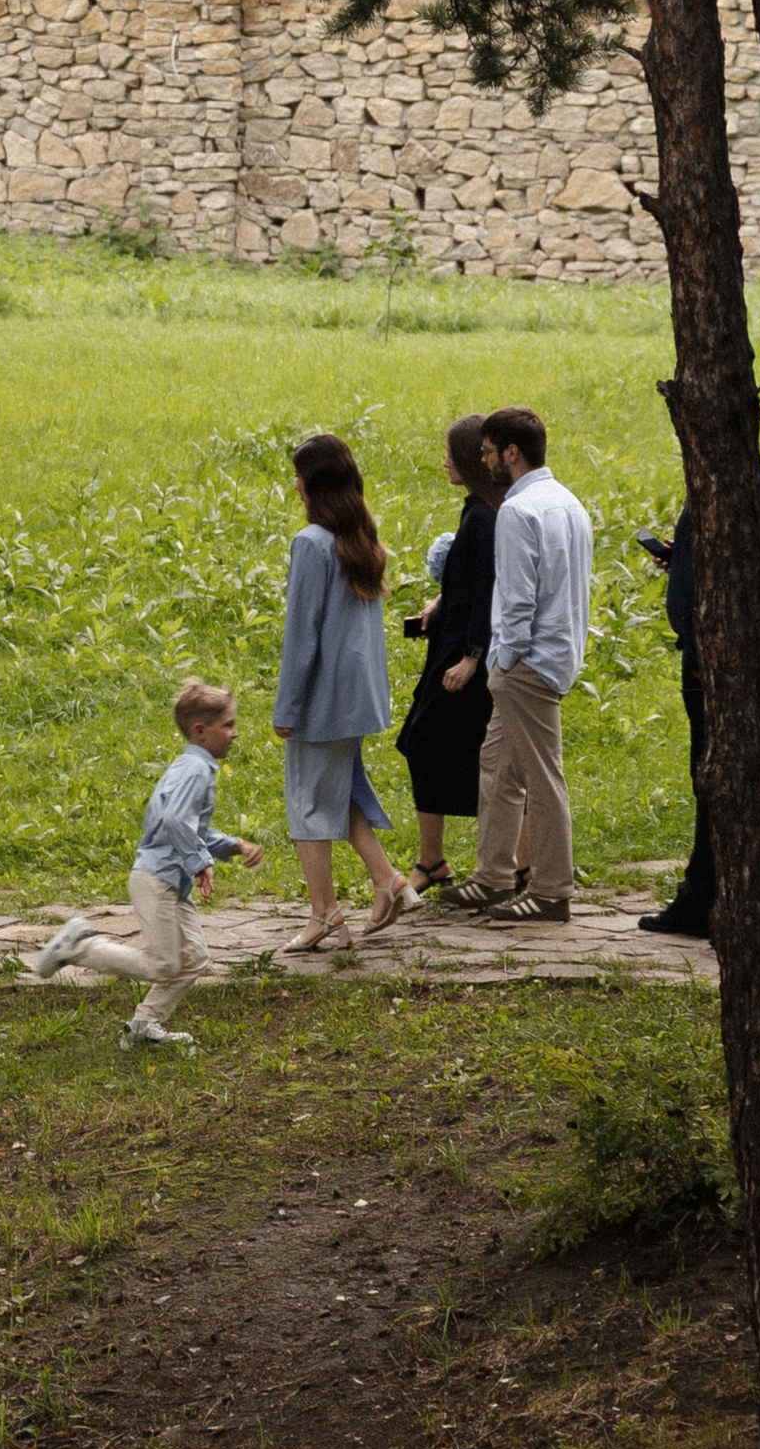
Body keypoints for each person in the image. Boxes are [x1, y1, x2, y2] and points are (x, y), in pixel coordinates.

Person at [31, 678, 265, 1044]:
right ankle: (81, 947)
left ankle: (143, 1027)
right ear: (200, 731)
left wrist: (233, 846)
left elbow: (189, 827)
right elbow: (175, 820)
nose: (235, 733)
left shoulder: (193, 766)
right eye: (229, 725)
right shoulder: (195, 770)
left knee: (194, 958)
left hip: (170, 880)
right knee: (164, 965)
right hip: (157, 879)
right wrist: (200, 862)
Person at [448, 407, 593, 924]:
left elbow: (517, 600)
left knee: (541, 777)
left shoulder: (517, 510)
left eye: (488, 451)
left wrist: (502, 661)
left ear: (511, 453)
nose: (484, 460)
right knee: (497, 766)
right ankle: (492, 876)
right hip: (555, 654)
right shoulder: (568, 502)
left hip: (527, 664)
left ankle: (551, 890)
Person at [273, 432, 413, 950]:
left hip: (322, 699)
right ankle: (388, 881)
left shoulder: (311, 543)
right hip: (357, 696)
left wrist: (287, 706)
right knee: (338, 790)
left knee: (307, 802)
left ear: (312, 485)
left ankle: (325, 912)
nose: (295, 485)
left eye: (298, 476)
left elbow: (302, 635)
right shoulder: (361, 538)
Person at [636, 464, 760, 938]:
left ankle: (702, 898)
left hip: (715, 653)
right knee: (711, 775)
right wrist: (684, 559)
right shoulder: (751, 480)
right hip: (709, 646)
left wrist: (706, 644)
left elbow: (755, 573)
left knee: (714, 777)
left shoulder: (738, 481)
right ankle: (706, 893)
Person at [395, 414, 503, 893]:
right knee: (442, 747)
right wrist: (438, 606)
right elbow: (468, 582)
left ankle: (435, 861)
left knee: (429, 743)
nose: (444, 463)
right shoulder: (478, 510)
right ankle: (438, 860)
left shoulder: (483, 517)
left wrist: (471, 656)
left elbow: (487, 592)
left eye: (450, 454)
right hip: (454, 644)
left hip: (463, 654)